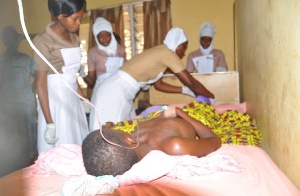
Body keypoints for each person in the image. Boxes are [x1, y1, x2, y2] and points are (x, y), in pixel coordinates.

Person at [89, 27, 215, 131]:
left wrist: (184, 90)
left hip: (117, 89)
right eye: (184, 47)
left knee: (124, 129)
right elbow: (191, 82)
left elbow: (158, 85)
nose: (184, 52)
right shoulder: (168, 53)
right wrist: (211, 96)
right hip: (115, 92)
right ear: (177, 44)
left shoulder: (161, 52)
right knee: (111, 132)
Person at [82, 106, 221, 176]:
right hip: (187, 115)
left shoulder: (132, 139)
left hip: (160, 113)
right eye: (118, 131)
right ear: (128, 139)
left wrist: (160, 116)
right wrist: (179, 112)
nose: (123, 130)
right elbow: (214, 140)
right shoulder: (174, 147)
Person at [33, 0, 89, 154]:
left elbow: (72, 75)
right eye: (74, 18)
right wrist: (50, 122)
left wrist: (83, 99)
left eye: (81, 18)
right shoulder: (43, 41)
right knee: (63, 145)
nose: (78, 23)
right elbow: (41, 84)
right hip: (55, 98)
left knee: (77, 140)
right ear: (59, 15)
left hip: (72, 97)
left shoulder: (74, 38)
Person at [0, 26, 37, 175]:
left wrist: (32, 88)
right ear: (3, 41)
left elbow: (38, 75)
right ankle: (11, 165)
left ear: (16, 40)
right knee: (10, 133)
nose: (9, 40)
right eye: (6, 37)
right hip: (7, 102)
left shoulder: (25, 59)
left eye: (12, 37)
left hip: (25, 101)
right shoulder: (1, 60)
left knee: (29, 131)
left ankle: (31, 162)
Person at [83, 17, 126, 89]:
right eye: (100, 36)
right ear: (96, 38)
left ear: (111, 35)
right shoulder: (93, 53)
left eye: (107, 34)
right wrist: (82, 73)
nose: (104, 38)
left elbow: (126, 71)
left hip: (120, 88)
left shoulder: (121, 50)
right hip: (102, 89)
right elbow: (91, 82)